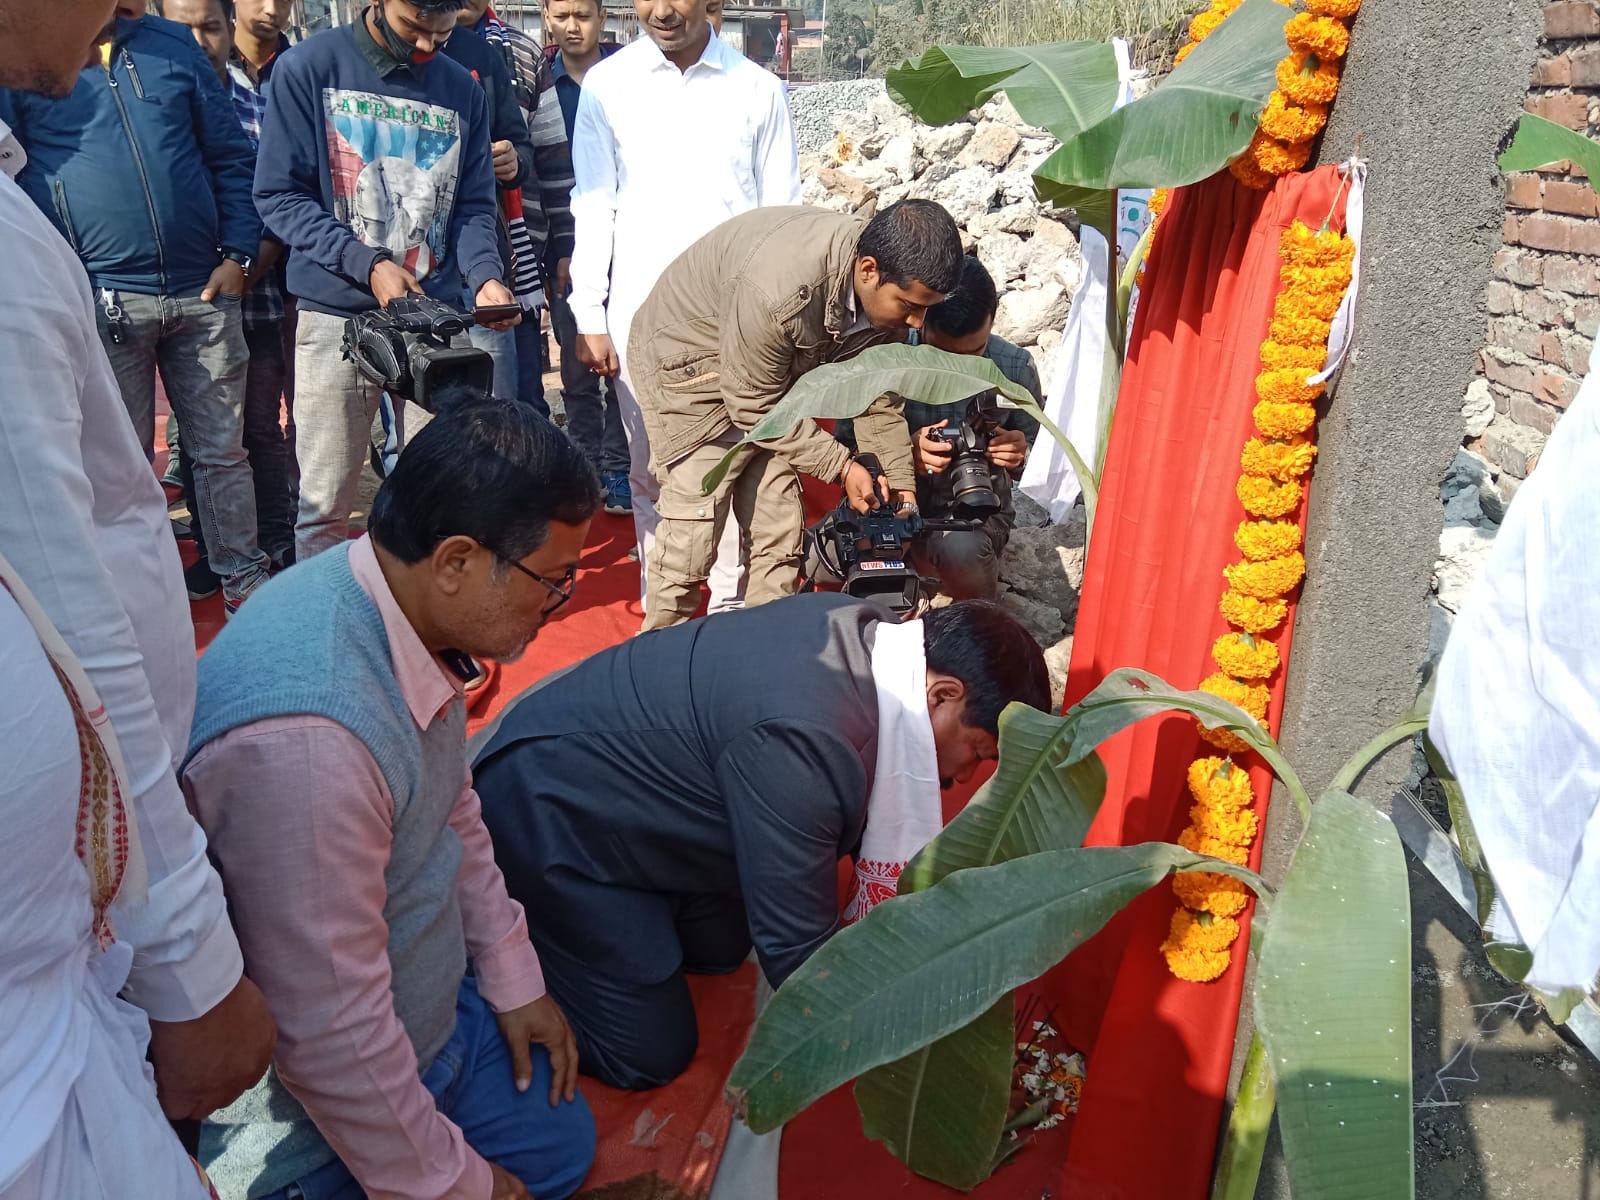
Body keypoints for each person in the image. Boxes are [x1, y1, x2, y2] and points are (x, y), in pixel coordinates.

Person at [183, 399, 600, 1200]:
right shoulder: (309, 746)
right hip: (309, 1111)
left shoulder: (399, 607)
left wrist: (515, 979)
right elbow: (332, 1039)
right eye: (552, 584)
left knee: (558, 1146)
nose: (559, 608)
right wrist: (457, 1186)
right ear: (455, 561)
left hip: (426, 1020)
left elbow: (451, 809)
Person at [0, 2, 276, 1192]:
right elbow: (69, 608)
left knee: (214, 457)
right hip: (55, 962)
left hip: (73, 925)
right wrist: (193, 963)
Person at [472, 594, 1050, 1089]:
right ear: (941, 695)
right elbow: (800, 962)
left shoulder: (868, 637)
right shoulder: (809, 739)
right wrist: (935, 1048)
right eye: (978, 752)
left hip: (638, 800)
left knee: (721, 950)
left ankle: (643, 913)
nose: (968, 777)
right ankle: (485, 983)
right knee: (648, 1053)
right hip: (551, 820)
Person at [0, 1, 272, 615]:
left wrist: (239, 257)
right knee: (118, 466)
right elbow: (12, 176)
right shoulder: (34, 57)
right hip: (102, 300)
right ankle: (133, 595)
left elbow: (230, 155)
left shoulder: (175, 47)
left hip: (202, 292)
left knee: (222, 453)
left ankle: (242, 580)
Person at [254, 0, 521, 561]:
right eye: (415, 29)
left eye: (442, 34)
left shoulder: (461, 88)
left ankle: (415, 625)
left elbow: (473, 205)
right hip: (337, 314)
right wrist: (367, 263)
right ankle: (320, 625)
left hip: (437, 317)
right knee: (325, 501)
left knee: (439, 498)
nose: (427, 46)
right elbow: (278, 195)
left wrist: (484, 277)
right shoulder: (308, 68)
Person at [629, 199, 963, 630]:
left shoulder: (890, 285)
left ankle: (765, 653)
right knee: (692, 536)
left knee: (779, 529)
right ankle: (657, 662)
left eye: (927, 307)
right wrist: (842, 465)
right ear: (868, 271)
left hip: (766, 379)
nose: (918, 322)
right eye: (908, 305)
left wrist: (900, 490)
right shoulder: (778, 289)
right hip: (690, 367)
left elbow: (876, 396)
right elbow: (751, 403)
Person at [569, 0, 801, 606]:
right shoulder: (607, 86)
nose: (661, 10)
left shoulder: (759, 91)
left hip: (732, 324)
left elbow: (781, 215)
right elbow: (594, 203)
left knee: (725, 466)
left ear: (715, 5)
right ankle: (661, 603)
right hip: (638, 318)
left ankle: (722, 611)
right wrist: (589, 312)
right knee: (649, 472)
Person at [163, 0, 298, 594]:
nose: (199, 41)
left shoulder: (259, 99)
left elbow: (281, 194)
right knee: (204, 437)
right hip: (184, 297)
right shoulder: (148, 103)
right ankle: (216, 547)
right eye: (184, 29)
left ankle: (276, 542)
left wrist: (246, 265)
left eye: (209, 28)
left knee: (259, 430)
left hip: (260, 295)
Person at [842, 256, 1040, 601]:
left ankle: (976, 623)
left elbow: (1039, 459)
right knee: (868, 557)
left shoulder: (1014, 368)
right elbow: (843, 444)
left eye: (972, 356)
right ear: (921, 321)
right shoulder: (887, 356)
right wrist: (902, 456)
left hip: (973, 514)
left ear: (992, 320)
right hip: (890, 506)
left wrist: (1018, 455)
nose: (955, 371)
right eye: (940, 358)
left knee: (962, 553)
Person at [459, 0, 579, 415]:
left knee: (519, 398)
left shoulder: (521, 54)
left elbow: (550, 157)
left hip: (518, 253)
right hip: (431, 259)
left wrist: (563, 245)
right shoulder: (419, 53)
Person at [542, 0, 627, 510]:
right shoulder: (538, 84)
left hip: (625, 245)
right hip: (563, 251)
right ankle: (585, 467)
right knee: (576, 370)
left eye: (584, 15)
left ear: (602, 17)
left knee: (619, 368)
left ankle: (618, 469)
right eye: (562, 15)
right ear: (546, 15)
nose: (573, 27)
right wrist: (562, 249)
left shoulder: (628, 78)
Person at [439, 16, 538, 406]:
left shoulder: (480, 56)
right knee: (416, 424)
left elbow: (521, 142)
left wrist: (515, 162)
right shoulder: (350, 64)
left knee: (495, 404)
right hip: (401, 272)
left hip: (479, 262)